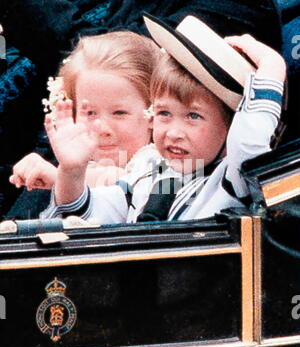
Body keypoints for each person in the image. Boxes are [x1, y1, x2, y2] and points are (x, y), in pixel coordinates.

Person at [40, 15, 287, 223]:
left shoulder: (230, 179)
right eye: (164, 114)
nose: (173, 132)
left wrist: (272, 68)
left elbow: (248, 143)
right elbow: (87, 214)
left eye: (193, 116)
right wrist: (71, 170)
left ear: (231, 125)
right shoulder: (150, 172)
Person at [7, 31, 162, 219]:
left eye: (119, 113)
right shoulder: (78, 164)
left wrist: (62, 177)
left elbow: (129, 185)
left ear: (154, 111)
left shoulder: (165, 165)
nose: (102, 128)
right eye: (89, 112)